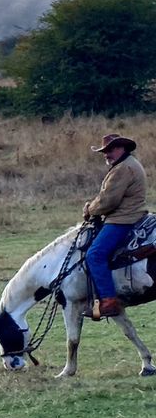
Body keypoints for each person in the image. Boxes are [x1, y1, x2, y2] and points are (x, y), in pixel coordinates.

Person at [83, 133, 148, 320]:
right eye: (104, 151)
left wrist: (90, 209)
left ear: (122, 148)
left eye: (110, 150)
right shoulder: (127, 165)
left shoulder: (123, 169)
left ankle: (109, 301)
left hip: (123, 219)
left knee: (94, 255)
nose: (106, 154)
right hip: (131, 215)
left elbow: (108, 201)